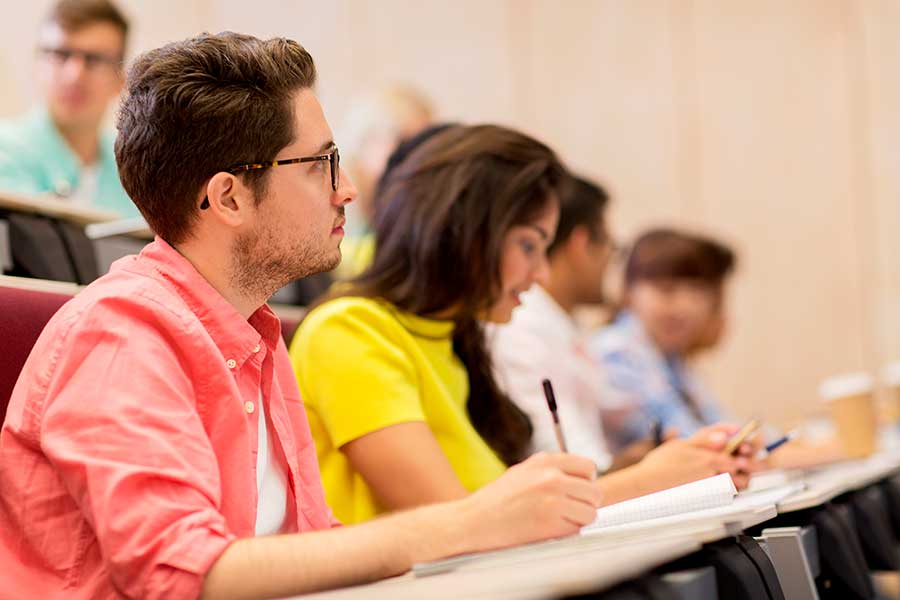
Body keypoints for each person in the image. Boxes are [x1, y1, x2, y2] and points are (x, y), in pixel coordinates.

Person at [0, 32, 607, 600]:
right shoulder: (121, 335)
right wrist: (464, 524)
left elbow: (308, 544)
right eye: (321, 164)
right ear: (228, 197)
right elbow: (182, 572)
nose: (346, 191)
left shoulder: (255, 333)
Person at [290, 127, 757, 526]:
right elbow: (458, 525)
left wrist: (641, 470)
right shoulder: (350, 331)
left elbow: (503, 511)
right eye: (529, 247)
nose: (541, 275)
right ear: (470, 234)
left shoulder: (454, 340)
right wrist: (656, 479)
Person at [489, 176, 655, 470]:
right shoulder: (520, 326)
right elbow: (566, 461)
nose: (539, 272)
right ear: (581, 243)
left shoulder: (559, 325)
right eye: (609, 246)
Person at [589, 228, 737, 450]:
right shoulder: (616, 352)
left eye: (697, 291)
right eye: (666, 290)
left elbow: (721, 424)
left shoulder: (669, 357)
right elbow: (688, 441)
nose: (684, 306)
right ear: (628, 291)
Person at [0, 0, 137, 216]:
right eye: (60, 54)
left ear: (121, 78)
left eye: (93, 59)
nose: (74, 75)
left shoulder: (136, 168)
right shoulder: (5, 153)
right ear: (37, 66)